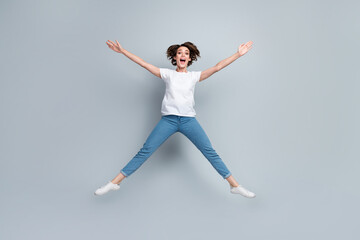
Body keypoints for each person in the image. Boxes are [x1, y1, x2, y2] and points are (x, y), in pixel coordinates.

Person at [94, 40, 256, 198]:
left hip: (188, 121)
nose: (183, 55)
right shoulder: (167, 74)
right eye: (180, 53)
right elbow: (143, 63)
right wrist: (123, 51)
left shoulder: (194, 76)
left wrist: (238, 55)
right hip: (168, 121)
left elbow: (217, 67)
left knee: (210, 152)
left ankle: (235, 186)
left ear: (190, 58)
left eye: (186, 53)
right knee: (145, 151)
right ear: (175, 58)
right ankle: (114, 183)